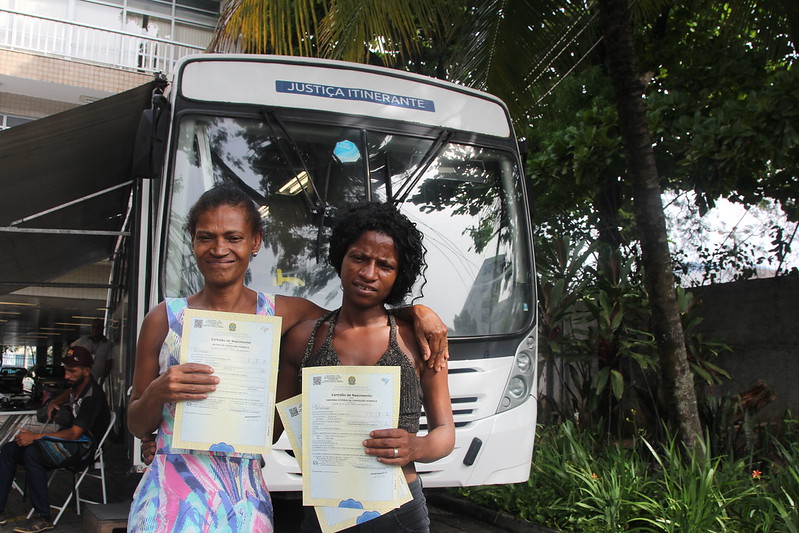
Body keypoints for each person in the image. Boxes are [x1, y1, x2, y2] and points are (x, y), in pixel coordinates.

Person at [126, 185, 449, 532]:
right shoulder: (164, 318)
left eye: (233, 237)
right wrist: (160, 395)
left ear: (255, 242)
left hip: (244, 498)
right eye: (207, 237)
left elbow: (357, 313)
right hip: (171, 491)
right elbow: (136, 422)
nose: (220, 249)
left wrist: (416, 311)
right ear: (192, 240)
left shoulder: (282, 314)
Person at [277, 202, 455, 533]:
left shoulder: (418, 341)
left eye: (384, 265)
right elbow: (271, 426)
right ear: (341, 257)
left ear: (399, 274)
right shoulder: (305, 338)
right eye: (359, 257)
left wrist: (415, 446)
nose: (368, 273)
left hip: (400, 509)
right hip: (326, 510)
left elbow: (445, 433)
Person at [0, 346, 110, 533]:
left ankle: (43, 517)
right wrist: (54, 402)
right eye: (66, 370)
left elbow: (75, 433)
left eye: (72, 371)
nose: (67, 375)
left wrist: (35, 436)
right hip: (70, 441)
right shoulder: (78, 386)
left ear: (87, 371)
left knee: (32, 452)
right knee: (10, 449)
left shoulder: (93, 396)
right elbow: (69, 394)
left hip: (83, 447)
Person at [71, 319, 111, 383]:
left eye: (98, 327)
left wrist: (103, 377)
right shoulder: (82, 341)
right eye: (93, 327)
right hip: (82, 377)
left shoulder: (107, 344)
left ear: (102, 328)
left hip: (97, 379)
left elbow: (109, 362)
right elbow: (70, 350)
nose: (95, 329)